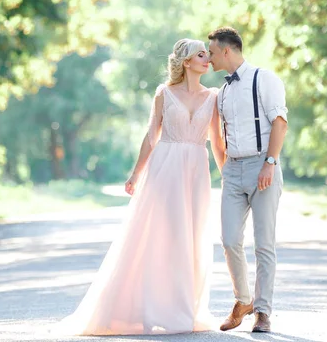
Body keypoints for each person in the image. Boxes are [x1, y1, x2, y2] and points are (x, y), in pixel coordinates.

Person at [55, 38, 226, 335]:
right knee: (160, 236)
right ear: (186, 62)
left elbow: (217, 143)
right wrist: (136, 174)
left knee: (192, 238)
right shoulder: (164, 93)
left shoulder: (213, 96)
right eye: (201, 54)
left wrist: (228, 177)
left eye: (206, 54)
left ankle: (185, 311)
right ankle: (146, 308)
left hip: (196, 172)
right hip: (165, 167)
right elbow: (151, 138)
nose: (207, 58)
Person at [208, 27, 288, 333]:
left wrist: (270, 162)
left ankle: (263, 311)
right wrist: (225, 168)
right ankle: (243, 301)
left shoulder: (264, 79)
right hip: (233, 170)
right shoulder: (223, 92)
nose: (210, 58)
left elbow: (279, 123)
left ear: (226, 51)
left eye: (212, 52)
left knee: (264, 244)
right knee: (229, 241)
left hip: (262, 166)